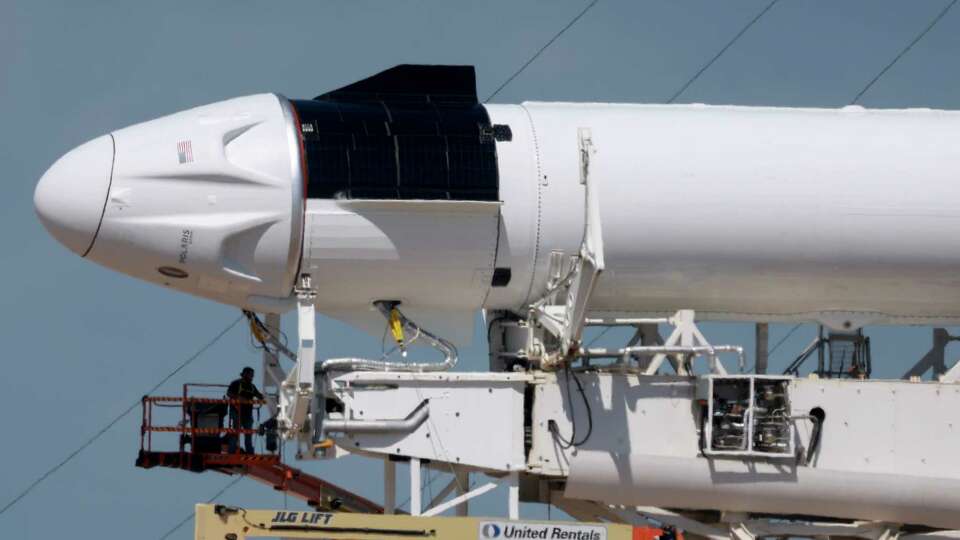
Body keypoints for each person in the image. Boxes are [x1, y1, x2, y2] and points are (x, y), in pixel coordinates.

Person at [226, 367, 264, 454]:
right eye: (250, 375)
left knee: (248, 434)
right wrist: (238, 397)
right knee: (236, 433)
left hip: (247, 414)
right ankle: (231, 451)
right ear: (245, 374)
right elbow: (229, 393)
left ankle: (249, 452)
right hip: (236, 412)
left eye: (252, 375)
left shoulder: (251, 386)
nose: (252, 377)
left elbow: (258, 395)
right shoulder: (236, 383)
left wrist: (262, 397)